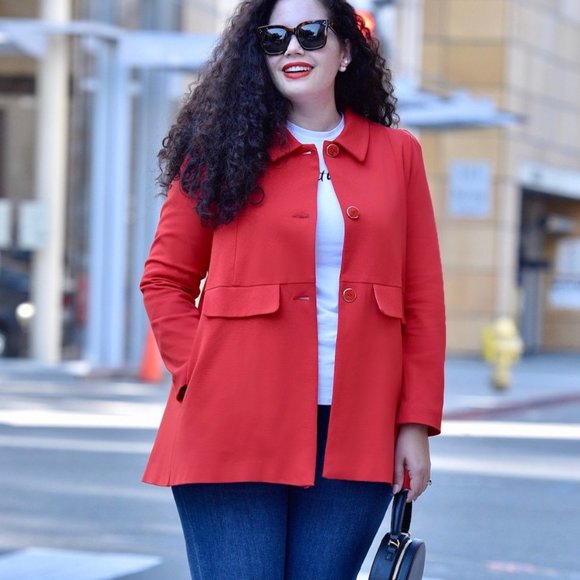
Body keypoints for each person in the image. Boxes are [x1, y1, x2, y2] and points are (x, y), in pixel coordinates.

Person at [140, 0, 445, 578]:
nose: (292, 49)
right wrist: (203, 373)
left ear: (346, 50)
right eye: (274, 38)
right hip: (231, 420)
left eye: (310, 33)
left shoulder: (398, 154)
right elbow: (165, 280)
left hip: (359, 428)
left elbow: (423, 299)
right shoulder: (217, 151)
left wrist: (415, 424)